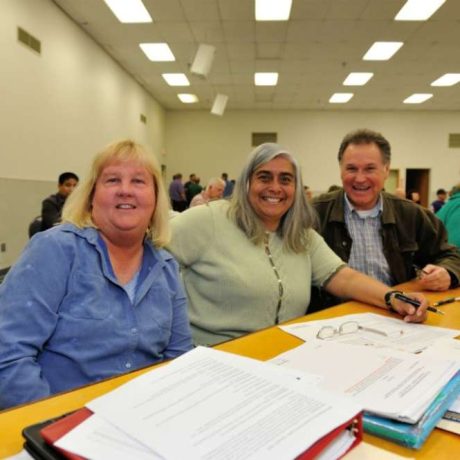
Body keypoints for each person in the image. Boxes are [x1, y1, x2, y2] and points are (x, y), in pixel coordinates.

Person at [167, 143, 428, 347]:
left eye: (285, 179)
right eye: (264, 177)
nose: (275, 187)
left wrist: (393, 297)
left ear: (296, 187)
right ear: (247, 182)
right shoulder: (209, 220)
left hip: (281, 358)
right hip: (215, 359)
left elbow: (343, 277)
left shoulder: (300, 235)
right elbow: (146, 258)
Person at [0, 140, 193, 409]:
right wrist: (54, 425)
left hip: (141, 422)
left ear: (156, 199)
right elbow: (8, 355)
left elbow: (179, 359)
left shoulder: (167, 267)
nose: (125, 190)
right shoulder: (55, 250)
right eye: (112, 180)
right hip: (54, 425)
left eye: (138, 181)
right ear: (92, 196)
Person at [312, 129, 460, 305]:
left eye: (370, 169)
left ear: (386, 170)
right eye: (351, 168)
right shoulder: (313, 214)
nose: (360, 178)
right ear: (340, 170)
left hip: (395, 315)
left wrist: (447, 272)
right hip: (332, 318)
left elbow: (451, 255)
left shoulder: (410, 214)